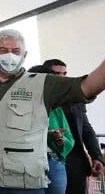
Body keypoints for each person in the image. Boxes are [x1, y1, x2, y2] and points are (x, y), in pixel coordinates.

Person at [0, 28, 105, 194]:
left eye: (16, 51)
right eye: (3, 50)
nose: (10, 55)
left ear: (24, 55)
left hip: (23, 183)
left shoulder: (43, 84)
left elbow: (89, 86)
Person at [43, 59, 105, 194]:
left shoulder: (76, 97)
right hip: (49, 163)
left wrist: (96, 156)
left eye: (65, 73)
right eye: (57, 74)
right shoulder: (40, 97)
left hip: (76, 163)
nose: (63, 77)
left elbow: (86, 129)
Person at [28, 65, 75, 194]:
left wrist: (60, 138)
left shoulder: (57, 109)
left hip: (53, 162)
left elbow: (69, 138)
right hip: (27, 164)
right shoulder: (20, 105)